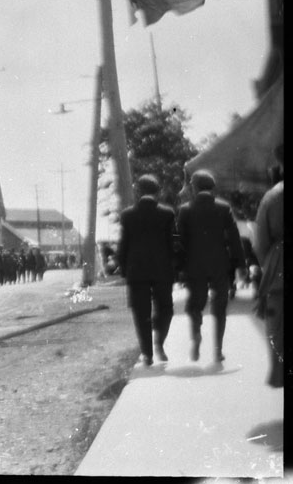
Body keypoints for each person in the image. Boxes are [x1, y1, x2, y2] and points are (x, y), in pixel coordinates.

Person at [177, 169, 245, 363]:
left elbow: (179, 241)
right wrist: (241, 264)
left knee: (195, 306)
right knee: (220, 307)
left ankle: (197, 334)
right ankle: (218, 350)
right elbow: (234, 238)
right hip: (219, 265)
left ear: (194, 186)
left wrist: (179, 267)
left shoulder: (185, 209)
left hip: (194, 265)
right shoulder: (223, 208)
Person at [118, 175, 177, 366]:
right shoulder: (167, 214)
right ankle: (160, 342)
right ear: (158, 191)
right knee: (166, 309)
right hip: (162, 270)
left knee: (140, 312)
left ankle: (147, 353)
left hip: (136, 271)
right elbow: (172, 244)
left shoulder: (127, 215)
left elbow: (123, 245)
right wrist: (176, 268)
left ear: (138, 191)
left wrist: (124, 270)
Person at [253, 144, 283, 387]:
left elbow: (260, 242)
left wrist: (271, 265)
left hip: (281, 269)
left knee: (279, 327)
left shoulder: (273, 197)